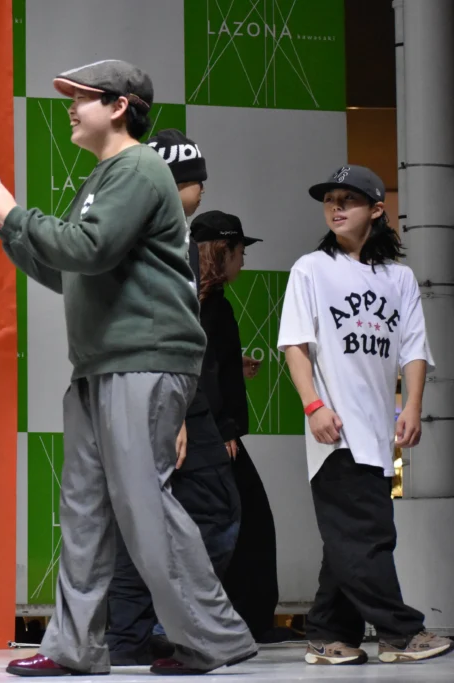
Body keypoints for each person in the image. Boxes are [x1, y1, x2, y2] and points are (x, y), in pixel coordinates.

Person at [0, 59, 256, 676]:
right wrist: (7, 230)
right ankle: (75, 647)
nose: (70, 107)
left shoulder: (139, 168)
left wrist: (15, 215)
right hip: (102, 366)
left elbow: (88, 249)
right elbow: (71, 271)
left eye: (81, 97)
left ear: (119, 107)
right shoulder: (106, 176)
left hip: (143, 359)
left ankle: (214, 639)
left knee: (145, 505)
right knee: (85, 510)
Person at [278, 165, 452, 665]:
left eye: (348, 199)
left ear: (376, 209)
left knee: (349, 538)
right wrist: (314, 405)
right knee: (368, 536)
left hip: (378, 432)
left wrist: (412, 405)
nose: (335, 207)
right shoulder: (311, 269)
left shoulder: (400, 278)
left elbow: (414, 349)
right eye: (330, 199)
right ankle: (400, 632)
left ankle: (328, 634)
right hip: (336, 430)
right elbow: (295, 344)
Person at [103, 130, 243, 666]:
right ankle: (172, 628)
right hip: (162, 388)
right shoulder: (157, 235)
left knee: (148, 512)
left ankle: (135, 634)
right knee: (210, 507)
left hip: (155, 385)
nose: (202, 190)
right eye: (195, 180)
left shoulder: (157, 232)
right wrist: (174, 408)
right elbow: (157, 321)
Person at [189, 210, 290, 643]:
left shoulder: (191, 298)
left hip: (201, 427)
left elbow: (207, 360)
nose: (244, 260)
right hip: (211, 431)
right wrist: (226, 427)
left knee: (237, 520)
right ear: (223, 251)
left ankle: (239, 618)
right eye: (240, 251)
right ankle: (245, 620)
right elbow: (202, 371)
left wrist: (235, 361)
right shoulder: (213, 306)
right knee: (246, 521)